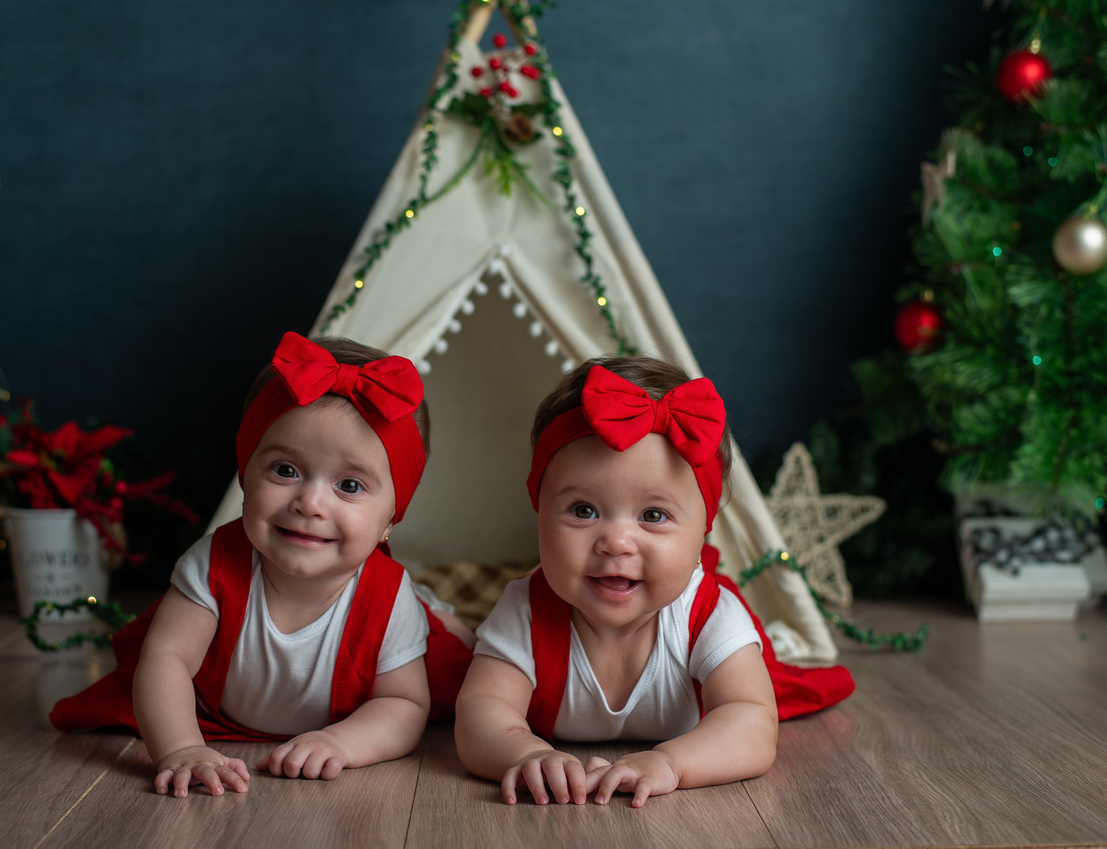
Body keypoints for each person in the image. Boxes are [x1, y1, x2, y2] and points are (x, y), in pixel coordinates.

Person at [50, 331, 474, 797]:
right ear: (246, 476)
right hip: (219, 710)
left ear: (389, 522)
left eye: (349, 485)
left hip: (379, 637)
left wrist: (342, 741)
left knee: (457, 656)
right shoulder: (213, 564)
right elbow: (165, 660)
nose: (310, 502)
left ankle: (439, 613)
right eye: (285, 470)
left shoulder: (389, 599)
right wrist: (181, 749)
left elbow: (404, 703)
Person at [454, 356, 780, 808]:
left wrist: (671, 762)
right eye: (583, 510)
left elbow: (752, 719)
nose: (617, 543)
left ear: (703, 527)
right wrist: (525, 752)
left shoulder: (706, 612)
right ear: (539, 509)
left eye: (653, 515)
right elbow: (479, 709)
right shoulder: (527, 609)